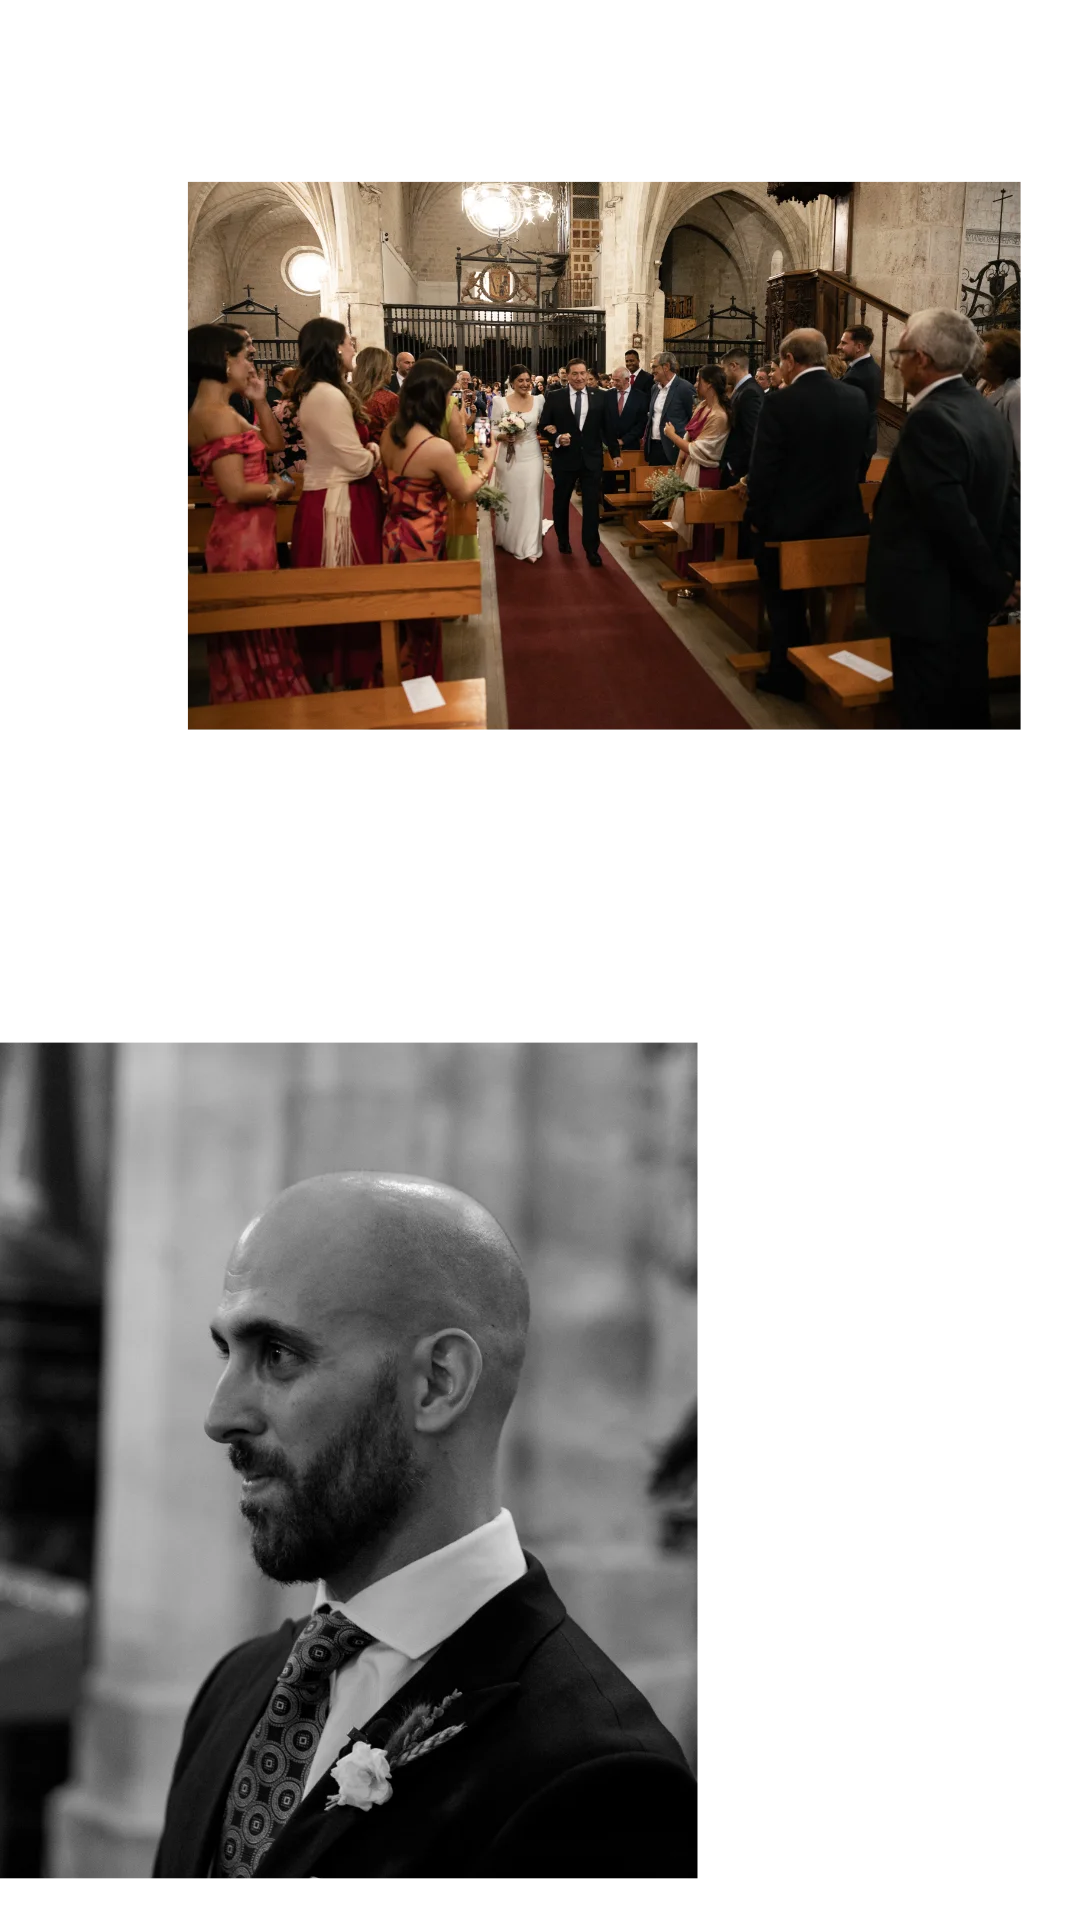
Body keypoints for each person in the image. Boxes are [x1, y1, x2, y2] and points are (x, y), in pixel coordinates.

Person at [151, 1171, 701, 1884]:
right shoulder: (234, 1687)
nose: (220, 1415)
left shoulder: (600, 1779)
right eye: (228, 1353)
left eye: (278, 1355)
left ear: (439, 1382)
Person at [866, 307, 1023, 736]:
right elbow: (1013, 501)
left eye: (899, 353)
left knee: (929, 717)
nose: (896, 362)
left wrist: (996, 581)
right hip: (967, 603)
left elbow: (950, 521)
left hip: (930, 605)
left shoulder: (931, 419)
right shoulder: (985, 408)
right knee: (966, 712)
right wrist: (1005, 572)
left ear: (922, 357)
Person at [183, 323, 311, 703]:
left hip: (249, 532)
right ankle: (260, 701)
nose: (252, 368)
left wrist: (258, 400)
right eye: (247, 358)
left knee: (258, 624)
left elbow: (273, 443)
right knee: (252, 625)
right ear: (225, 361)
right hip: (241, 535)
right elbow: (235, 489)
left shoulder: (219, 409)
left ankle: (263, 693)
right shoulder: (215, 415)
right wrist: (279, 487)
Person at [746, 327, 870, 702]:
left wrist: (756, 515)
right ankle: (834, 661)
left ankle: (787, 675)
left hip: (789, 524)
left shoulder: (781, 403)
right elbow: (860, 459)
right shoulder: (854, 397)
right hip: (844, 520)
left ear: (788, 360)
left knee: (784, 604)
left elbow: (764, 469)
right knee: (839, 603)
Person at [381, 361, 497, 680]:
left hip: (392, 533)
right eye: (448, 393)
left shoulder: (390, 432)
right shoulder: (436, 448)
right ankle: (420, 697)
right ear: (436, 397)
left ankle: (398, 686)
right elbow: (462, 493)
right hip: (423, 540)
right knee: (423, 627)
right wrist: (486, 465)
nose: (451, 399)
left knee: (401, 622)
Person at [289, 319, 385, 692]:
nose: (353, 344)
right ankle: (345, 668)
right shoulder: (326, 395)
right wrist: (374, 450)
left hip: (345, 495)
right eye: (348, 340)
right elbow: (356, 461)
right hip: (339, 502)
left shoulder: (326, 390)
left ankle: (351, 665)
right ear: (332, 349)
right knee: (347, 587)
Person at [537, 358, 623, 566]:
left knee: (592, 505)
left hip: (591, 459)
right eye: (574, 374)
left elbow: (607, 428)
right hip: (565, 459)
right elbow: (544, 425)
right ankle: (563, 540)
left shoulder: (600, 397)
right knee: (561, 501)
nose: (579, 378)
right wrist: (557, 438)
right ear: (567, 375)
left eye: (583, 373)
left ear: (587, 374)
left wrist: (615, 452)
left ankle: (591, 549)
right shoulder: (555, 396)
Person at [662, 368, 730, 586]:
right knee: (686, 524)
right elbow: (689, 434)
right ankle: (685, 573)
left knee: (700, 528)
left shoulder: (719, 416)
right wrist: (679, 463)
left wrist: (671, 436)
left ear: (709, 384)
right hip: (690, 468)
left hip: (705, 474)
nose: (695, 383)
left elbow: (701, 450)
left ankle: (697, 577)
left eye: (699, 380)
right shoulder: (702, 406)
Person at [490, 364, 547, 563]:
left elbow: (547, 423)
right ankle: (509, 538)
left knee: (531, 498)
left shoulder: (539, 400)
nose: (525, 384)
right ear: (512, 382)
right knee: (511, 498)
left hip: (532, 456)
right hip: (509, 458)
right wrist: (503, 436)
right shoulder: (500, 402)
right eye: (520, 380)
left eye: (527, 380)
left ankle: (530, 545)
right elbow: (490, 431)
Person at [976, 328, 1024, 478]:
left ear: (1001, 363)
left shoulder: (1016, 397)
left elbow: (1018, 455)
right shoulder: (981, 384)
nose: (977, 360)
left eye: (983, 356)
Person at [836, 324, 882, 481]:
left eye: (843, 343)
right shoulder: (871, 366)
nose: (838, 346)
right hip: (864, 441)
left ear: (859, 347)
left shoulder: (857, 376)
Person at [717, 352, 763, 491]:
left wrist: (734, 468)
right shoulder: (742, 390)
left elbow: (753, 436)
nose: (723, 374)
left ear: (733, 366)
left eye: (724, 369)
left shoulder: (750, 393)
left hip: (738, 473)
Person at [643, 352, 696, 468]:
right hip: (654, 447)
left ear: (666, 367)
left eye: (654, 367)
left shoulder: (685, 388)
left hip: (674, 449)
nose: (652, 371)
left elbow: (694, 419)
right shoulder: (654, 388)